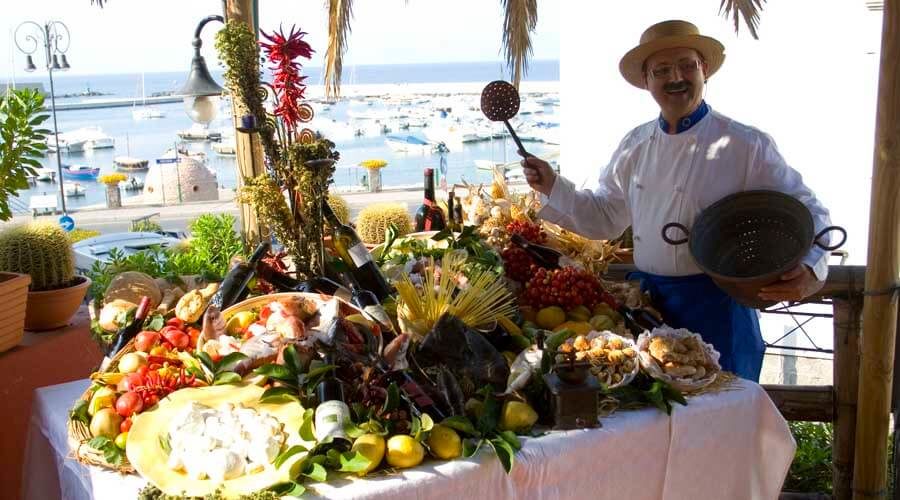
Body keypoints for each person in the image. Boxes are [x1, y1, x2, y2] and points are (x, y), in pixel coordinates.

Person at [522, 20, 833, 381]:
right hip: (649, 307)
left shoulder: (746, 144)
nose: (676, 78)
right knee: (658, 424)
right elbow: (605, 217)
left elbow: (809, 210)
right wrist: (553, 186)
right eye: (662, 70)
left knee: (721, 421)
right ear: (647, 81)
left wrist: (813, 266)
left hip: (720, 306)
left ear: (705, 71)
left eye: (687, 65)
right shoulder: (634, 146)